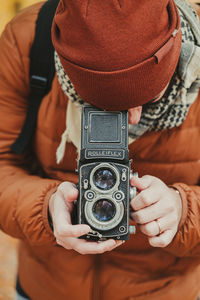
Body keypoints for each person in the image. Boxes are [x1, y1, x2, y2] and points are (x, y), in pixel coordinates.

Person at [0, 0, 200, 299]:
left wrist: (183, 210)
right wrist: (46, 210)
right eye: (101, 105)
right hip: (47, 286)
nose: (131, 119)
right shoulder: (29, 40)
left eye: (148, 97)